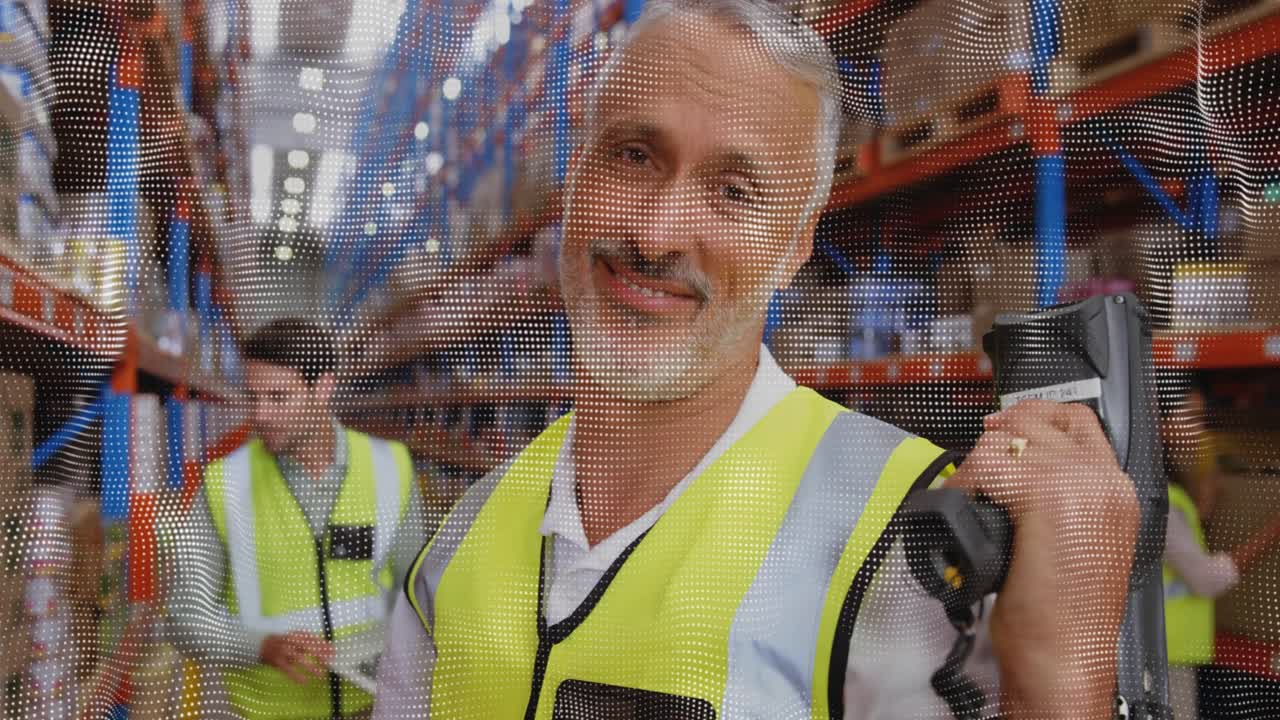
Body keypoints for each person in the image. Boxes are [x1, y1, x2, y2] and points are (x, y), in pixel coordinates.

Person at [373, 0, 1139, 717]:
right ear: (576, 178)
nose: (658, 233)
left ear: (796, 246)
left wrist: (1058, 691)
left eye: (735, 193)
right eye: (633, 156)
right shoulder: (459, 544)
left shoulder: (907, 546)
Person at [169, 318, 428, 719]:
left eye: (279, 397)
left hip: (369, 705)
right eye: (253, 397)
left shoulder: (390, 467)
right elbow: (185, 617)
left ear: (323, 389)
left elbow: (416, 597)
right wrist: (260, 645)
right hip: (268, 710)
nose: (262, 415)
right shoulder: (223, 484)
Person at [1160, 388, 1280, 720]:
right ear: (1161, 425)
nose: (1201, 430)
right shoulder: (1162, 501)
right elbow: (1206, 579)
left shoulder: (1168, 492)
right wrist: (1273, 531)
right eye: (1191, 419)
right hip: (1165, 657)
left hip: (1168, 653)